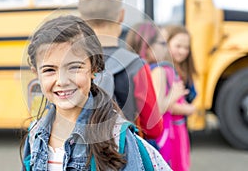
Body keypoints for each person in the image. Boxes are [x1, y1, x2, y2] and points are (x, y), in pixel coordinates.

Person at [21, 15, 171, 171]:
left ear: (94, 69)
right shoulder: (35, 135)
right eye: (49, 70)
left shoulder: (116, 138)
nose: (62, 81)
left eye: (74, 67)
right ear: (36, 73)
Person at [78, 0, 163, 140]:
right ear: (122, 15)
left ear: (82, 19)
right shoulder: (136, 65)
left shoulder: (70, 64)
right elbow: (153, 129)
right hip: (120, 157)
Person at [126, 22, 196, 171]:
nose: (166, 49)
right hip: (156, 134)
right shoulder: (158, 70)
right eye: (163, 43)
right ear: (148, 45)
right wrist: (173, 95)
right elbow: (157, 110)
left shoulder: (133, 67)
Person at [164, 25, 197, 104]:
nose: (183, 51)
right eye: (178, 46)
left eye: (186, 48)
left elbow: (191, 96)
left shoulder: (186, 70)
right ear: (166, 44)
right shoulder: (162, 70)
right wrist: (190, 109)